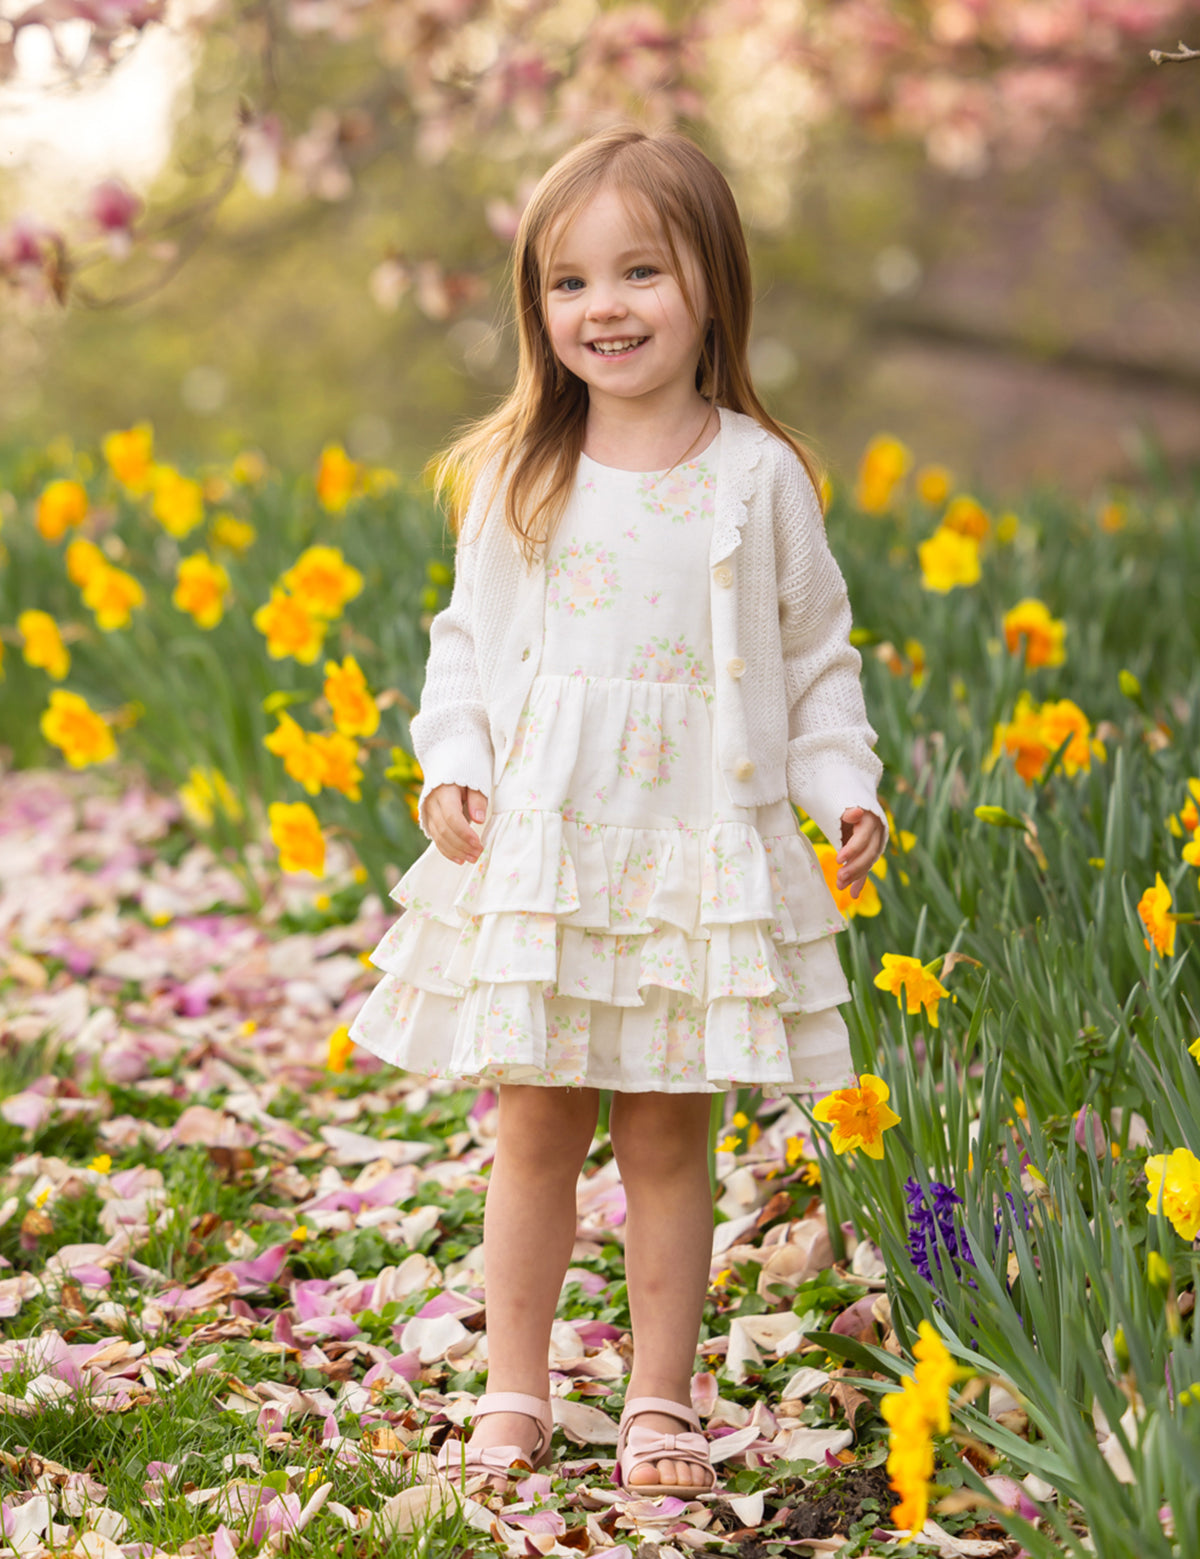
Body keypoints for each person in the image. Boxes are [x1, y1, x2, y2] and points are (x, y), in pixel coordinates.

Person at [348, 124, 888, 1500]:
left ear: (714, 283)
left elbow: (816, 661)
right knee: (535, 1124)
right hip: (554, 840)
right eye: (569, 281)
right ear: (537, 305)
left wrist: (843, 787)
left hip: (693, 844)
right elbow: (466, 646)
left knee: (665, 1133)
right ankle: (514, 1387)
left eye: (641, 270)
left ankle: (658, 1397)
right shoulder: (522, 471)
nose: (605, 306)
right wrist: (452, 761)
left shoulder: (758, 475)